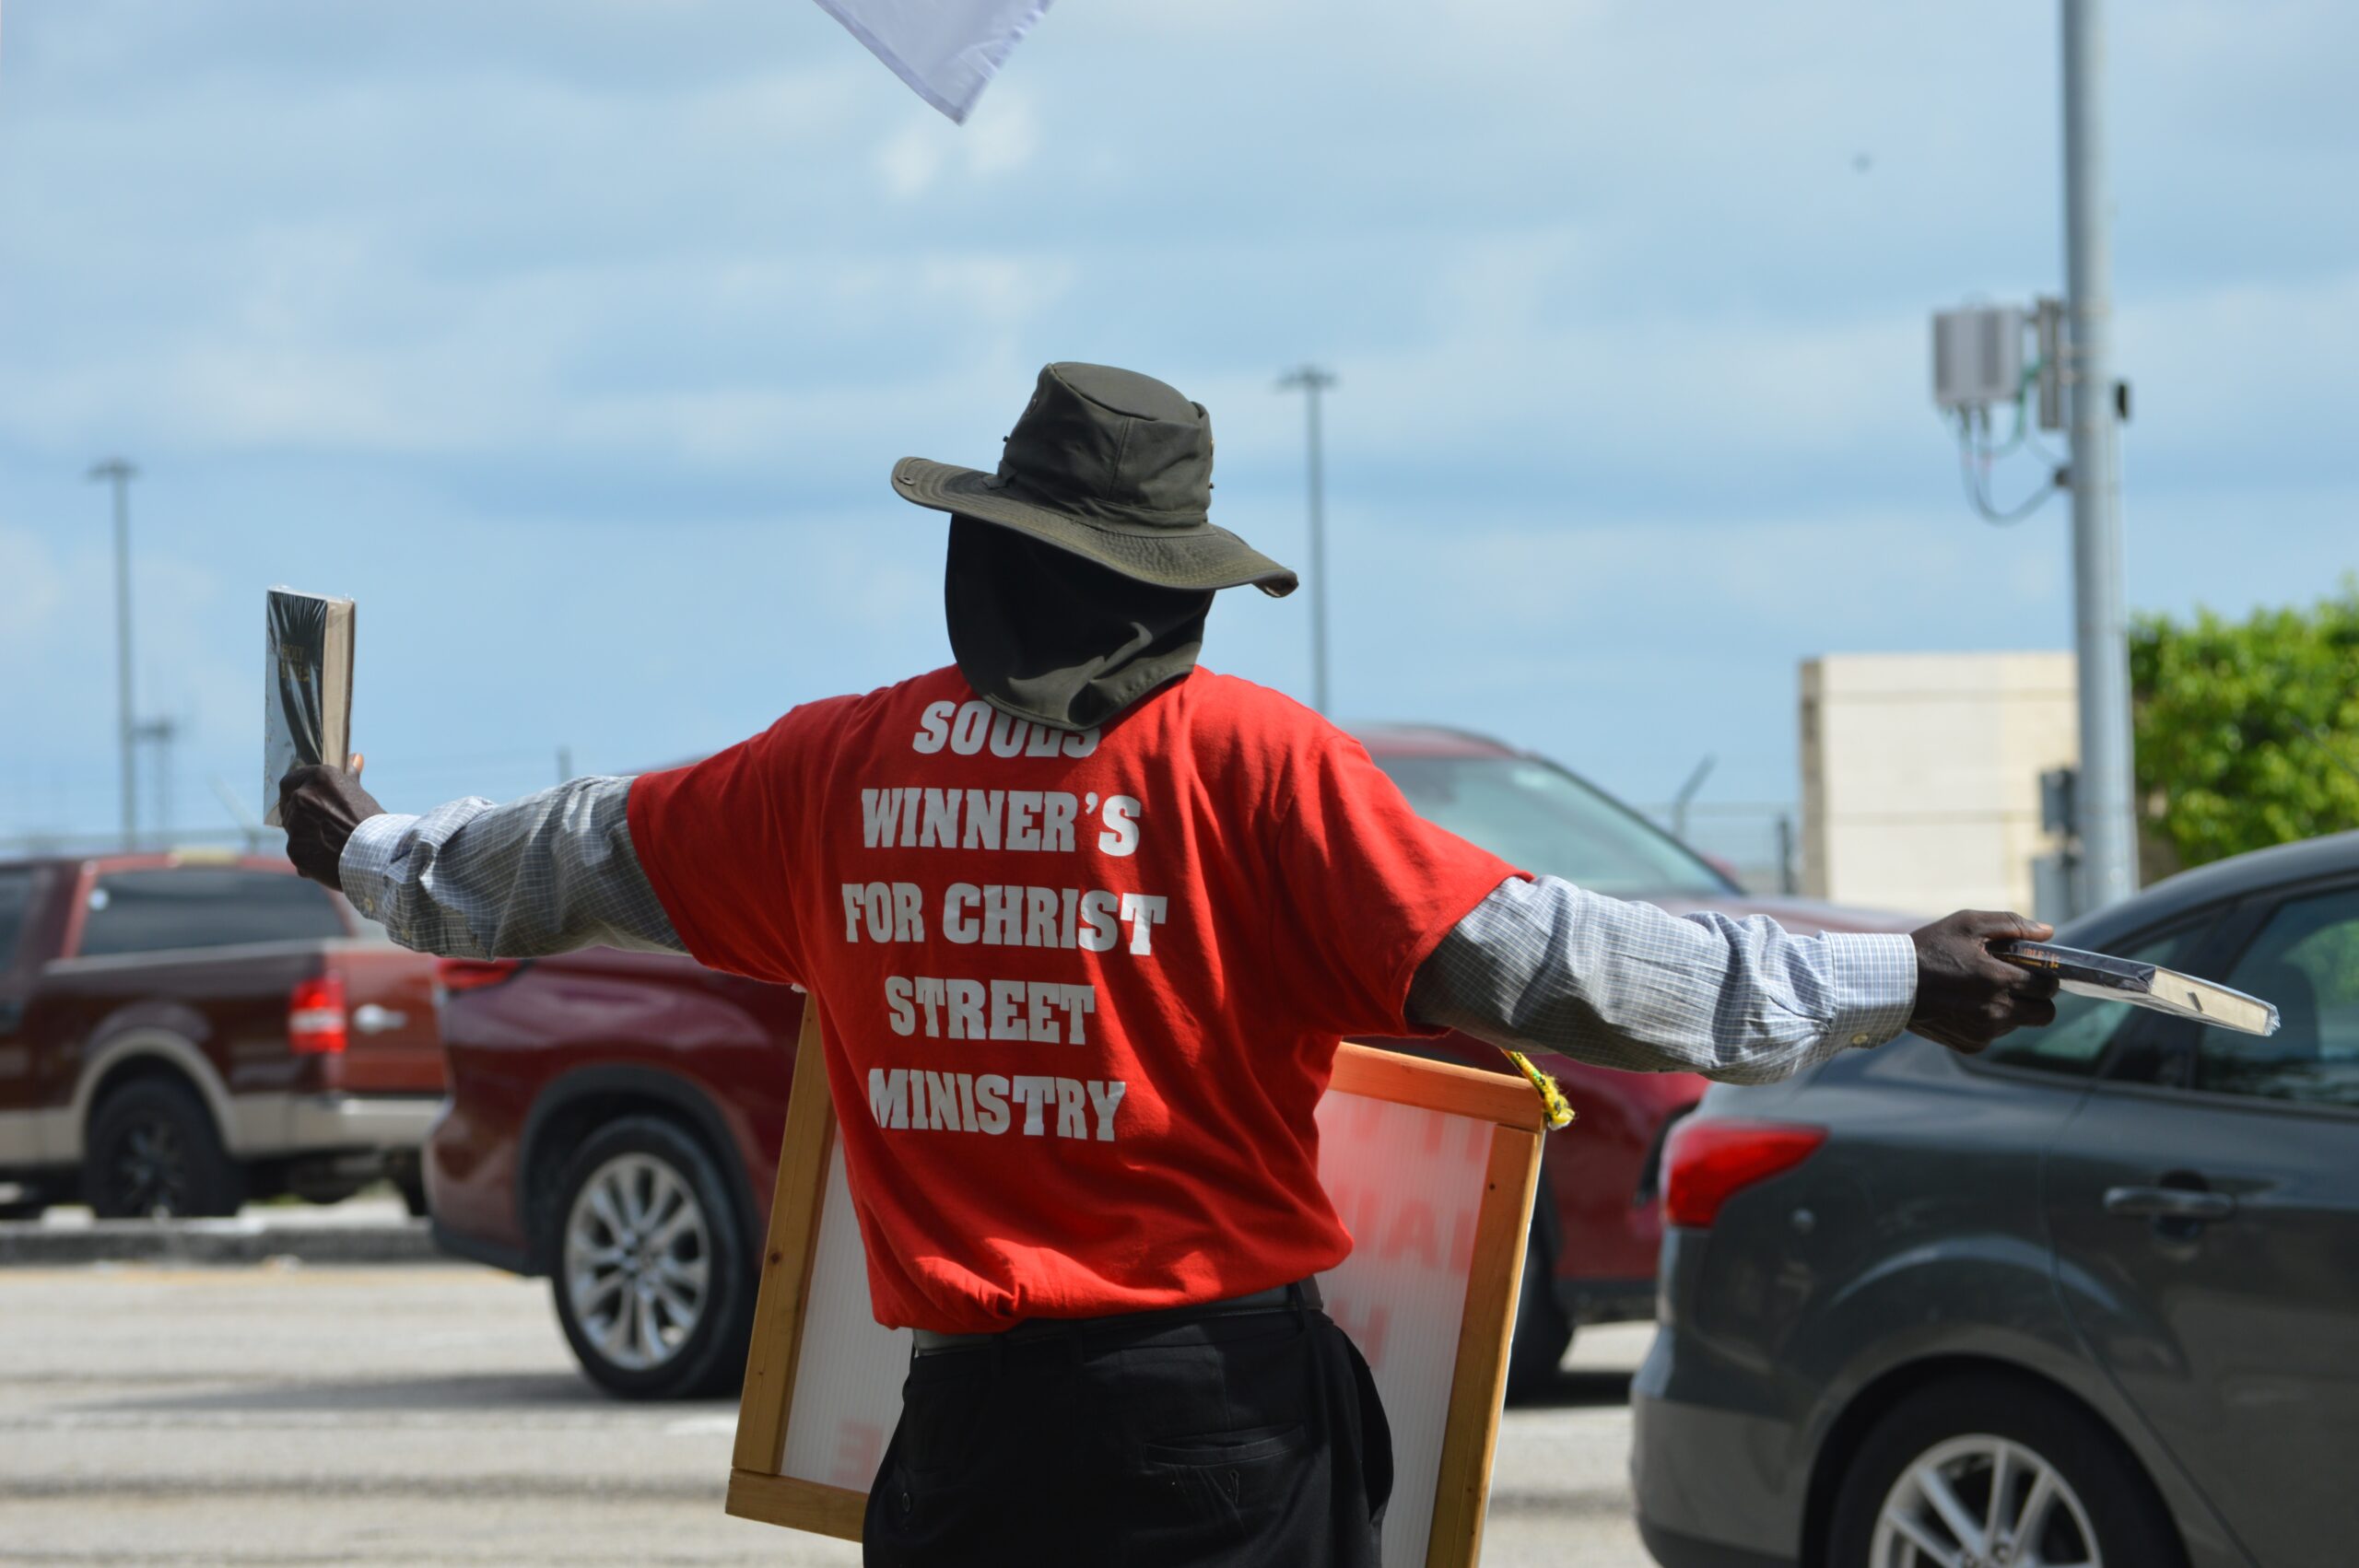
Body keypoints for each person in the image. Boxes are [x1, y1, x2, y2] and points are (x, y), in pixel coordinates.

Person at [278, 362, 2058, 1568]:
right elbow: (1566, 966)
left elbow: (563, 855)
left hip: (965, 1449)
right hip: (1218, 1442)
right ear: (1169, 590)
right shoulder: (1253, 766)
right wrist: (1892, 973)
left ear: (988, 557)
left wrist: (361, 846)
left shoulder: (834, 774)